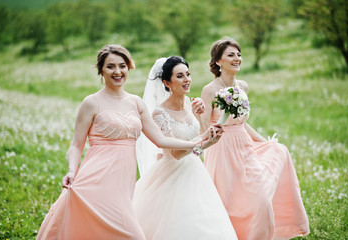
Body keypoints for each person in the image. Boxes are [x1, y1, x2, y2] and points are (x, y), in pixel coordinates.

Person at [36, 45, 205, 240]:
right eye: (110, 67)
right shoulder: (91, 102)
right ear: (101, 71)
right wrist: (72, 171)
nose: (117, 71)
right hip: (95, 178)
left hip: (123, 184)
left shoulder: (136, 103)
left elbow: (160, 139)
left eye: (122, 66)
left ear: (129, 68)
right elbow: (76, 145)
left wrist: (196, 143)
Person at [200, 39, 310, 240]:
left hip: (245, 147)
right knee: (229, 203)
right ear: (217, 61)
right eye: (231, 55)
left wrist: (266, 143)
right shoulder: (210, 90)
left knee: (260, 200)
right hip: (221, 150)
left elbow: (241, 123)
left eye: (239, 54)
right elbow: (203, 127)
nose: (237, 59)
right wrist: (204, 129)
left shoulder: (243, 86)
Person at [133, 56, 238, 240]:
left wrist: (200, 118)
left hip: (195, 170)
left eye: (188, 74)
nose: (187, 79)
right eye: (180, 76)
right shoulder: (160, 113)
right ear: (167, 82)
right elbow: (176, 153)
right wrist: (206, 144)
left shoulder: (191, 104)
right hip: (172, 173)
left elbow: (201, 133)